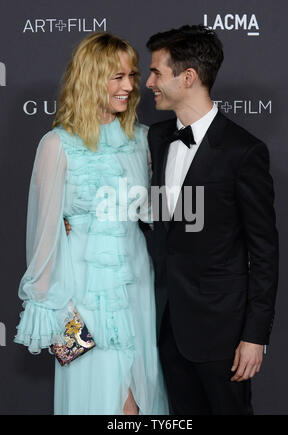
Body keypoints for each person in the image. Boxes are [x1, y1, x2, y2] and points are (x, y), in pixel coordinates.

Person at [14, 32, 168, 415]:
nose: (130, 86)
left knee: (140, 395)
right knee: (100, 398)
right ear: (90, 77)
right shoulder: (57, 145)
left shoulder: (142, 141)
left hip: (135, 287)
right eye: (117, 77)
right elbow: (45, 236)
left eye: (132, 75)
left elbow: (154, 213)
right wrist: (51, 312)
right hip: (80, 293)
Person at [145, 24, 279, 415]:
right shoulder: (155, 138)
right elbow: (153, 221)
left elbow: (265, 252)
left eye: (156, 72)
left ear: (187, 78)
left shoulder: (243, 151)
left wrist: (255, 336)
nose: (148, 82)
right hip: (165, 324)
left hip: (222, 334)